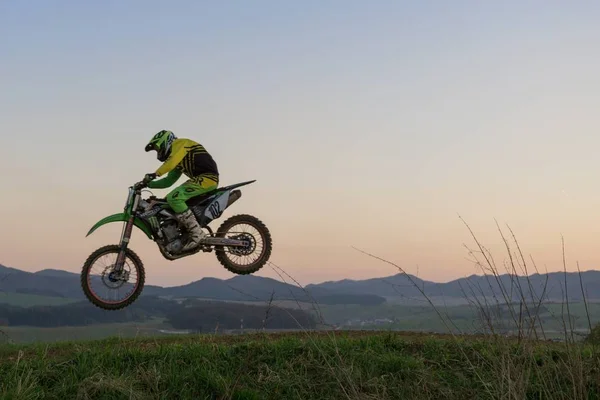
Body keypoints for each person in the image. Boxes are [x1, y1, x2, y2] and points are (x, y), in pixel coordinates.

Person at [141, 130, 219, 252]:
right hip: (201, 179)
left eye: (157, 148)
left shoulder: (180, 144)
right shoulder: (178, 158)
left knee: (175, 197)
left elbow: (170, 163)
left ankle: (197, 234)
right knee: (167, 200)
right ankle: (183, 232)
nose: (158, 152)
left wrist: (155, 174)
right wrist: (149, 184)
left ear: (165, 141)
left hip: (208, 178)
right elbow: (168, 181)